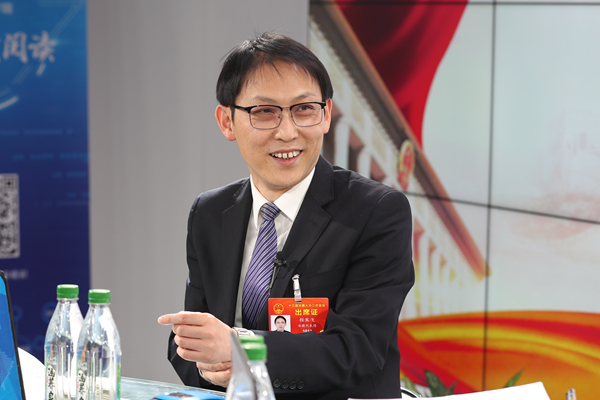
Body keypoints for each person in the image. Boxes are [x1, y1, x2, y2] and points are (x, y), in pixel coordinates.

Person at [158, 32, 415, 400]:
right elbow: (195, 337)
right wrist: (204, 359)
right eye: (265, 112)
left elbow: (358, 348)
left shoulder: (377, 212)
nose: (287, 132)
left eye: (304, 109)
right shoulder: (210, 212)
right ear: (227, 121)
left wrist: (240, 349)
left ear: (326, 115)